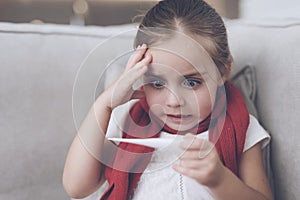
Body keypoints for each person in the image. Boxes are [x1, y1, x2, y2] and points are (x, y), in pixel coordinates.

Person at [63, 0, 274, 199]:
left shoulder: (241, 128)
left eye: (191, 83)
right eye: (156, 83)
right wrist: (105, 104)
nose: (174, 101)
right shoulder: (130, 126)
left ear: (222, 72)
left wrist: (219, 180)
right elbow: (77, 187)